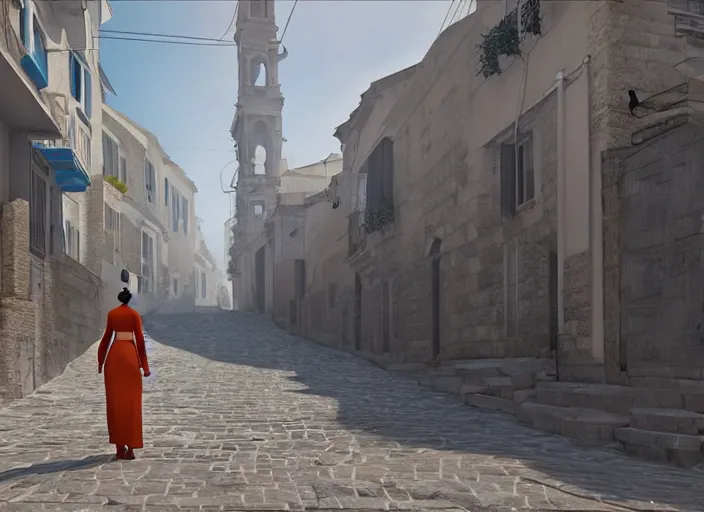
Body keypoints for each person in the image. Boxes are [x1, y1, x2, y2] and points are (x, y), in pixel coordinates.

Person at [97, 287, 151, 461]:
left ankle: (119, 448)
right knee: (132, 404)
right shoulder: (135, 315)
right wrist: (145, 366)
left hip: (114, 358)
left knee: (115, 404)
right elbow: (140, 340)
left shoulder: (112, 314)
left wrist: (100, 361)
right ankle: (131, 448)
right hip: (129, 358)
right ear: (130, 299)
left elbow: (106, 338)